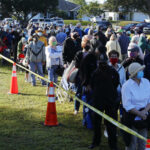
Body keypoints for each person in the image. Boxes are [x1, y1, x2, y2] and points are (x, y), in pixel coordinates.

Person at [89, 55, 120, 150]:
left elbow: (116, 83)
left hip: (110, 101)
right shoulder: (95, 72)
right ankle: (96, 141)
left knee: (111, 124)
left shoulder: (113, 72)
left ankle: (113, 144)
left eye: (103, 63)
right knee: (96, 123)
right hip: (98, 101)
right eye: (101, 63)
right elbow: (92, 85)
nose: (102, 64)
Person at [121, 62, 150, 150]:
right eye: (140, 71)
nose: (142, 72)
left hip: (144, 116)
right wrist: (139, 114)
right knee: (131, 143)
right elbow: (127, 105)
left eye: (142, 70)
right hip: (131, 117)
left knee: (143, 141)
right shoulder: (127, 86)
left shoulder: (146, 82)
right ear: (134, 73)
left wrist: (144, 111)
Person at [74, 35, 91, 115]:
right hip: (81, 76)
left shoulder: (92, 54)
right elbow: (76, 65)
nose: (88, 44)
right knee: (79, 93)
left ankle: (87, 109)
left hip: (90, 77)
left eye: (89, 43)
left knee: (88, 93)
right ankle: (76, 108)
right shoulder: (79, 53)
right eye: (86, 42)